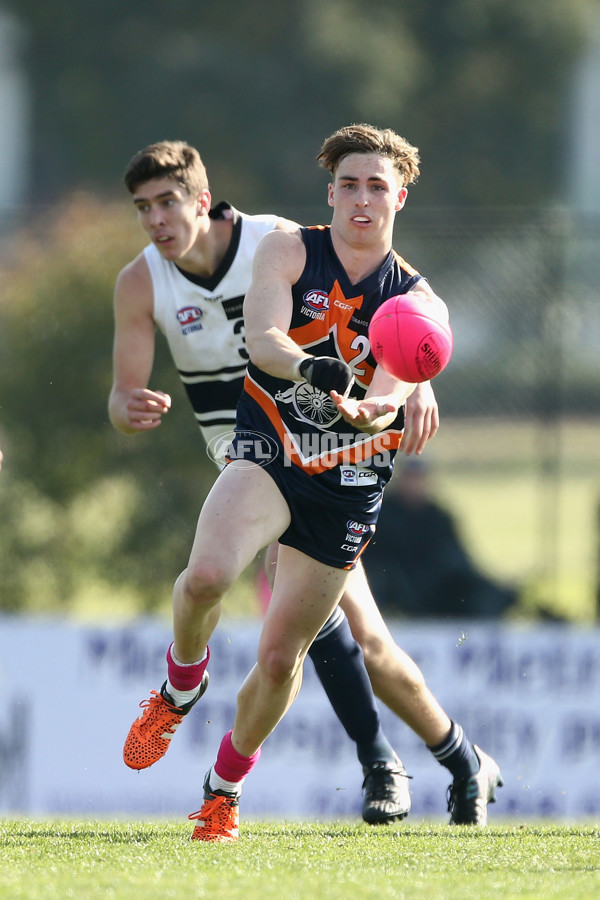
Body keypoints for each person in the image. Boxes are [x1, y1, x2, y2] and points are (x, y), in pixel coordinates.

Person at [114, 131, 502, 841]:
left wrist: (383, 402)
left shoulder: (420, 303)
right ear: (330, 193)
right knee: (203, 578)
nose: (361, 199)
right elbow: (261, 338)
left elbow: (390, 389)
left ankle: (223, 789)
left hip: (348, 483)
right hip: (268, 451)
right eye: (348, 184)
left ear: (400, 197)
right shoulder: (290, 248)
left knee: (280, 656)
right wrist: (313, 370)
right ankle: (180, 685)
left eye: (376, 186)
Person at [364, 458, 520, 618]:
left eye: (419, 478)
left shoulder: (438, 516)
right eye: (410, 478)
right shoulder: (382, 513)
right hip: (398, 585)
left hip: (437, 583)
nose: (414, 484)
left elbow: (458, 557)